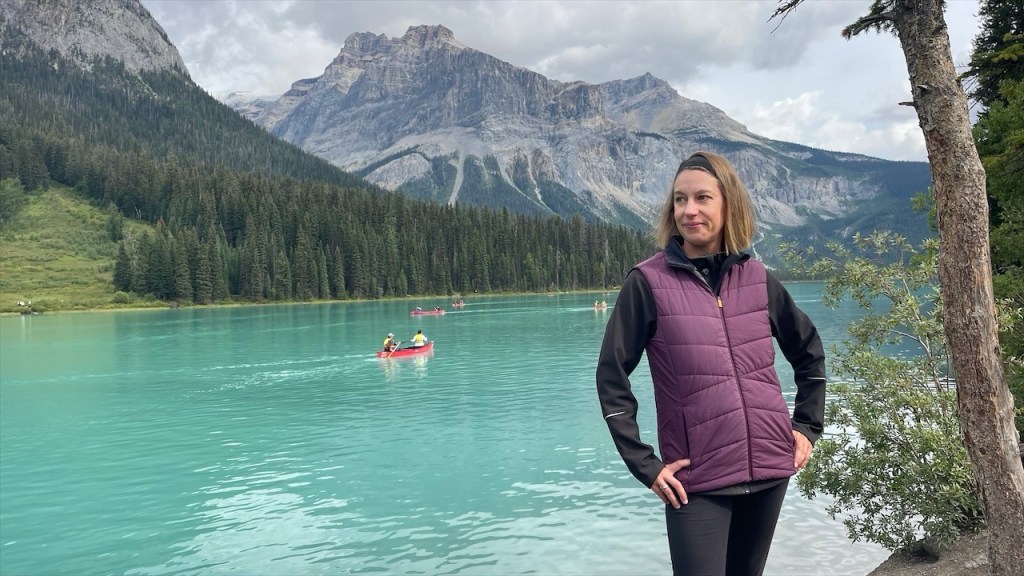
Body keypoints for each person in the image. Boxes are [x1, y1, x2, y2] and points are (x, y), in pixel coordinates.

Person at [595, 151, 826, 576]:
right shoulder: (647, 282)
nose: (689, 210)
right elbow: (611, 377)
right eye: (680, 199)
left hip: (770, 470)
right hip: (695, 482)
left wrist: (808, 425)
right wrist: (645, 464)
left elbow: (808, 350)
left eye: (702, 198)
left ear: (728, 204)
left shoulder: (757, 277)